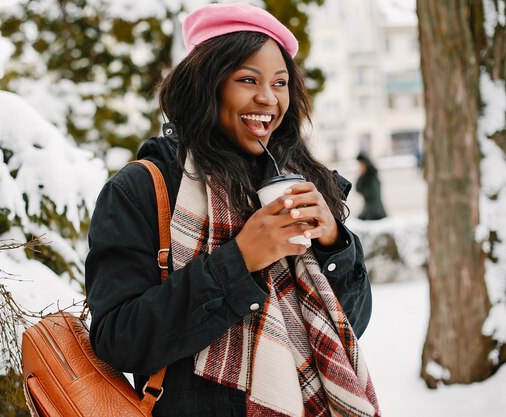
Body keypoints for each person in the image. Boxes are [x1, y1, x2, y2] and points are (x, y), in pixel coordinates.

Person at [85, 3, 379, 416]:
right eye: (247, 79)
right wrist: (239, 262)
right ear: (206, 85)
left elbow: (350, 325)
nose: (267, 97)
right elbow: (118, 340)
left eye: (280, 83)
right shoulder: (142, 189)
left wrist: (333, 245)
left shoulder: (302, 180)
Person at [356, 152, 387, 220]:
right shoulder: (364, 177)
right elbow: (357, 188)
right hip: (368, 208)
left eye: (361, 165)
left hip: (374, 210)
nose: (360, 168)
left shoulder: (372, 177)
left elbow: (373, 194)